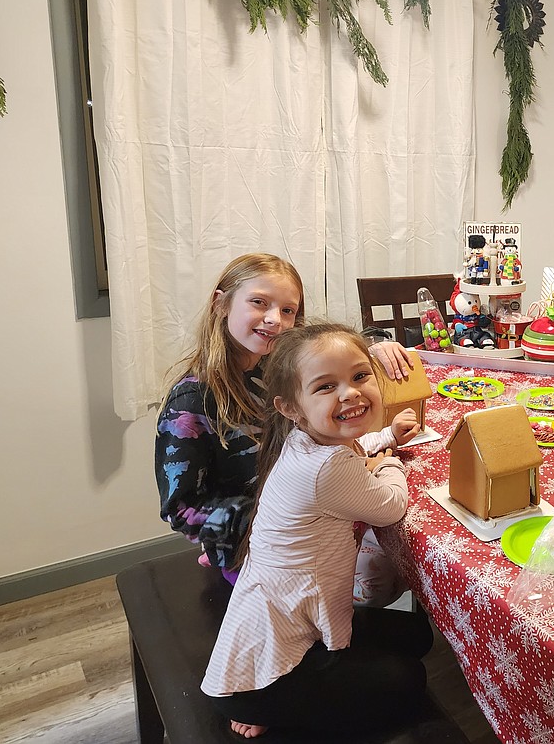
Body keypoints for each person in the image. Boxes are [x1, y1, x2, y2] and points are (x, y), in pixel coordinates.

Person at [201, 322, 431, 738]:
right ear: (291, 406)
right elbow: (392, 506)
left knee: (416, 635)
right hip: (265, 664)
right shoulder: (326, 468)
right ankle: (266, 704)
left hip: (281, 619)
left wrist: (385, 437)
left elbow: (347, 445)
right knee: (410, 680)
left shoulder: (303, 439)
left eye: (360, 376)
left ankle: (277, 694)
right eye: (326, 386)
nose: (350, 393)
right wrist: (390, 463)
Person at [154, 253, 412, 588]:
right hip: (267, 552)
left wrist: (374, 348)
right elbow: (181, 509)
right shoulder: (191, 402)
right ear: (222, 304)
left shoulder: (271, 369)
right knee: (383, 576)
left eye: (288, 310)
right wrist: (268, 519)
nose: (275, 319)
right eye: (259, 303)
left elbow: (325, 350)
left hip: (311, 522)